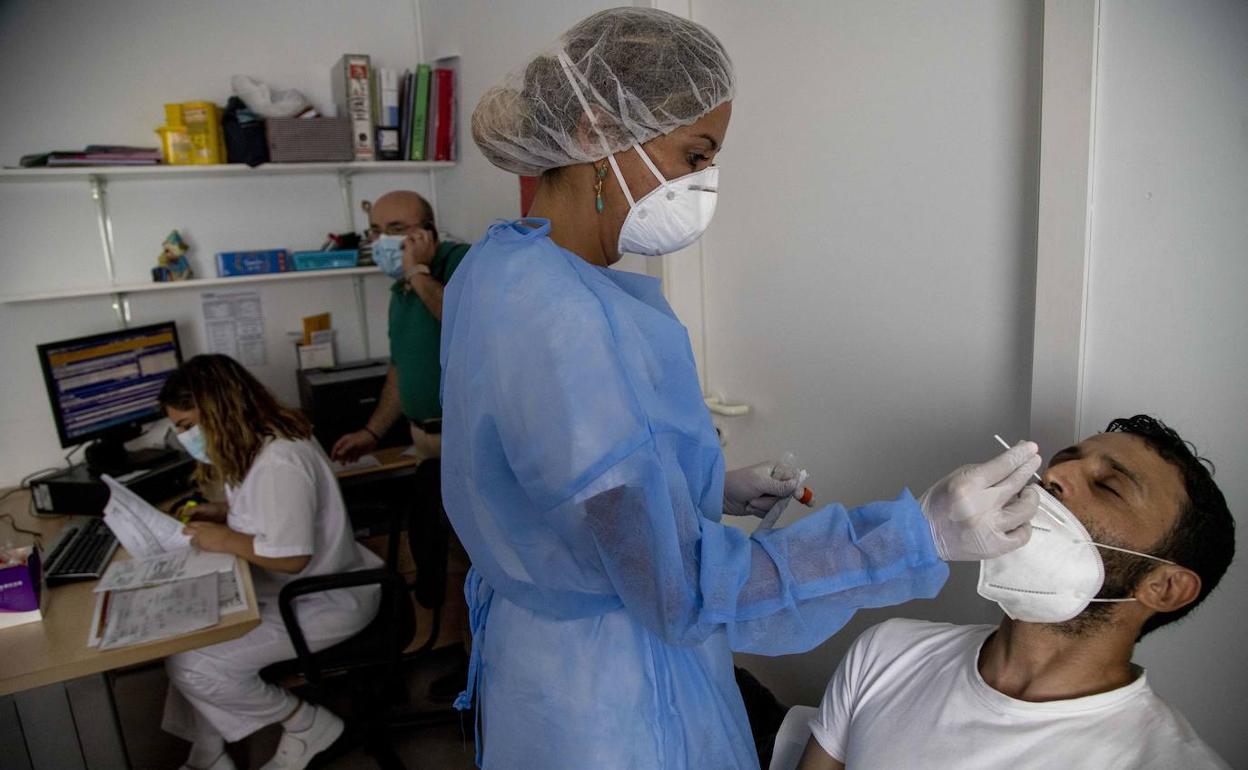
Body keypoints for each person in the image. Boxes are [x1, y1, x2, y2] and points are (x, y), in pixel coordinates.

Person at [440, 8, 1042, 768]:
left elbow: (551, 479)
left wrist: (701, 488)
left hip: (541, 666)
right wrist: (919, 535)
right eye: (694, 155)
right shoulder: (570, 323)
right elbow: (683, 588)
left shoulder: (500, 269)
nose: (702, 184)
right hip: (616, 699)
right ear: (594, 131)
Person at [796, 415, 1234, 770]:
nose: (1055, 475)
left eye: (1108, 486)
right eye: (1063, 460)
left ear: (1164, 587)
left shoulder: (1166, 760)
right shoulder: (886, 652)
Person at [158, 355, 382, 770]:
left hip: (322, 599)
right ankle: (208, 753)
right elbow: (272, 518)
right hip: (291, 588)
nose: (183, 436)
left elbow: (292, 557)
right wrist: (222, 514)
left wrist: (223, 537)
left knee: (192, 665)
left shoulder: (280, 458)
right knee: (186, 638)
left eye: (187, 425)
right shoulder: (253, 441)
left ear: (217, 411)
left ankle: (305, 724)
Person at [331, 190, 470, 465]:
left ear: (428, 231)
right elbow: (401, 369)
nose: (383, 240)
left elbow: (465, 320)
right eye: (375, 231)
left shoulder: (460, 260)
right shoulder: (402, 287)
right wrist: (372, 432)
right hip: (422, 439)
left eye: (395, 229)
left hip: (465, 438)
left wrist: (417, 272)